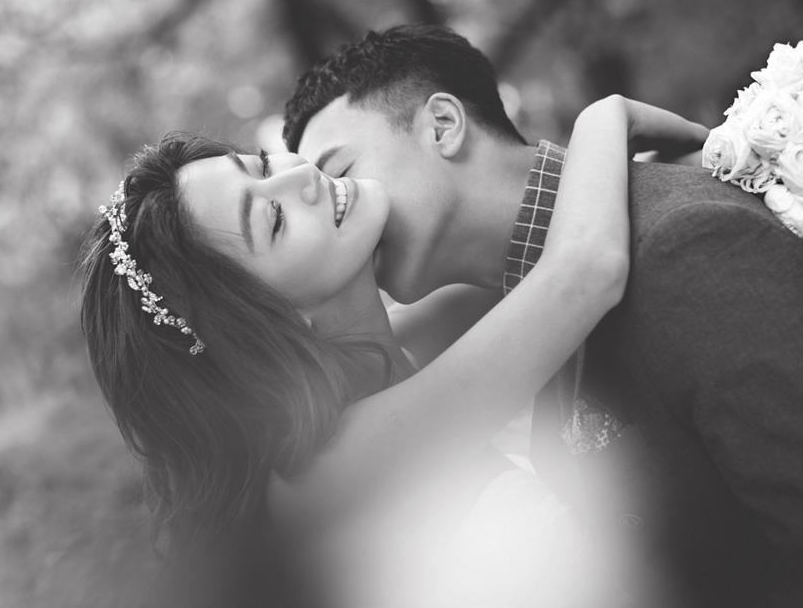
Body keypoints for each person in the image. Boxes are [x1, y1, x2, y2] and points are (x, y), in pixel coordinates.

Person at [283, 23, 803, 607]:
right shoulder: (534, 308)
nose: (343, 205)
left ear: (443, 125)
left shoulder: (689, 239)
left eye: (341, 171)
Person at [79, 97, 700, 607]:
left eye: (262, 163)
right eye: (273, 219)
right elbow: (584, 269)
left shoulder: (407, 342)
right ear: (260, 323)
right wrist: (603, 121)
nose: (301, 176)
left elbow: (534, 249)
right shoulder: (319, 469)